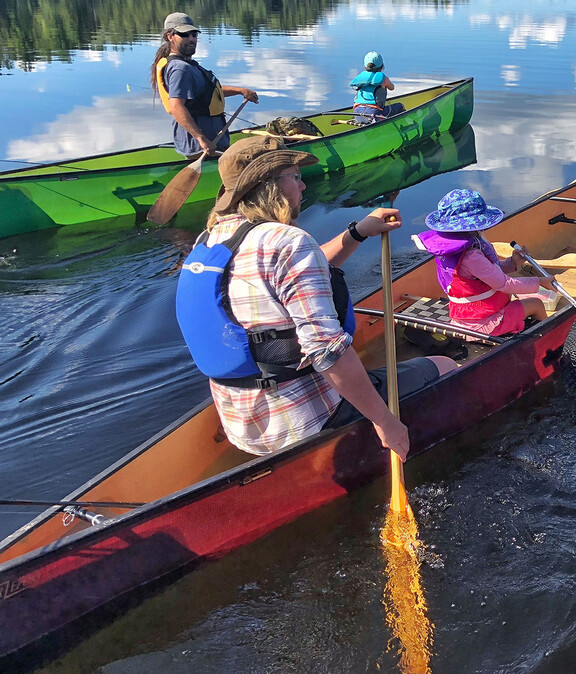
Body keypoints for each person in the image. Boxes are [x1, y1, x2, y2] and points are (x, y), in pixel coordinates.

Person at [175, 135, 455, 459]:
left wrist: (357, 232)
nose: (303, 186)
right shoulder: (288, 241)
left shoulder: (211, 239)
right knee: (446, 365)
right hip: (304, 420)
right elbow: (326, 351)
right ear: (271, 186)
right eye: (295, 177)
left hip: (241, 424)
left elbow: (295, 277)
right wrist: (384, 421)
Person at [412, 189, 555, 336]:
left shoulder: (450, 249)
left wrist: (513, 262)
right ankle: (552, 339)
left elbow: (488, 273)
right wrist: (540, 282)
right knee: (536, 304)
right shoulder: (471, 256)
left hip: (465, 317)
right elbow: (504, 284)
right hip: (482, 323)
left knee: (521, 301)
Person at [151, 12, 259, 159]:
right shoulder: (180, 69)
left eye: (194, 34)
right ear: (170, 37)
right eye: (184, 35)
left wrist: (240, 91)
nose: (191, 39)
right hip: (204, 146)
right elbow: (176, 107)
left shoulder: (185, 65)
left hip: (209, 142)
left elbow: (206, 93)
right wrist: (201, 138)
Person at [349, 51, 406, 126]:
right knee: (399, 106)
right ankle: (403, 126)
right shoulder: (384, 79)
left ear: (365, 67)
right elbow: (392, 88)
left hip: (357, 113)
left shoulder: (361, 78)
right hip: (375, 114)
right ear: (382, 66)